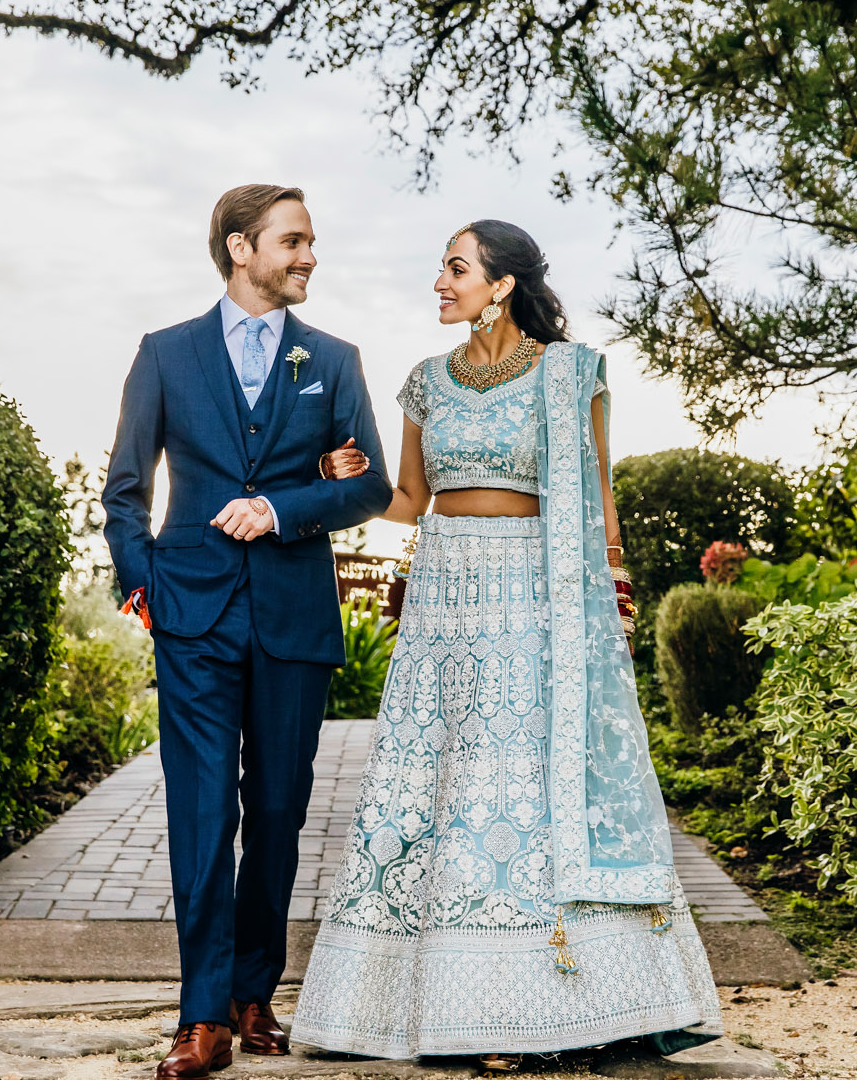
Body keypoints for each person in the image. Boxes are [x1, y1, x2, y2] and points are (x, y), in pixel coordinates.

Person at [288, 220, 723, 1065]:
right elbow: (410, 499)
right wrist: (351, 481)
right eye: (442, 270)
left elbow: (598, 499)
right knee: (443, 782)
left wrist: (614, 602)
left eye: (455, 269)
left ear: (502, 283)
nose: (441, 284)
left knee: (522, 784)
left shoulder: (571, 374)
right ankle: (438, 1002)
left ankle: (567, 1004)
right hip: (446, 599)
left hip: (536, 596)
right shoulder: (424, 382)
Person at [103, 183, 392, 1080]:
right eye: (293, 240)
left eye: (311, 241)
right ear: (240, 247)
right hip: (189, 614)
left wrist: (280, 506)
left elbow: (370, 485)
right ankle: (200, 1015)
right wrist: (144, 589)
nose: (309, 256)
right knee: (200, 809)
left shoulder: (334, 360)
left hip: (294, 615)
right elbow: (123, 490)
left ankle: (252, 991)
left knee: (276, 809)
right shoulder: (165, 353)